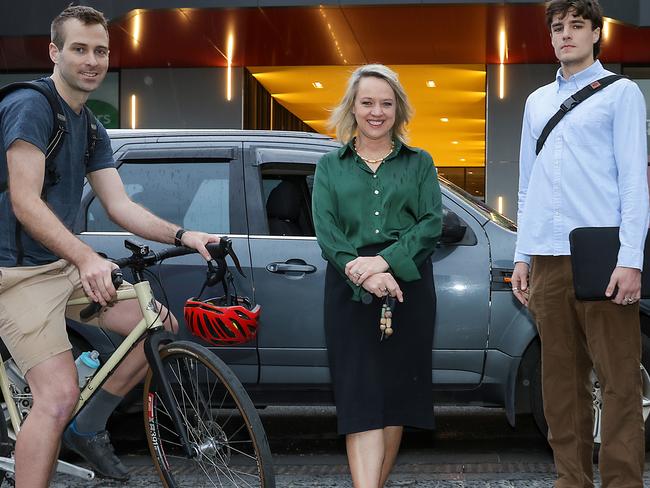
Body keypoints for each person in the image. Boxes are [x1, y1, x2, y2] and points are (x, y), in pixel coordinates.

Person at [0, 6, 220, 487]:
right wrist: (85, 257)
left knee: (156, 326)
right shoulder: (31, 106)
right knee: (54, 398)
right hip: (12, 275)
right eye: (79, 49)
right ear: (54, 52)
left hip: (59, 265)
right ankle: (63, 422)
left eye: (100, 50)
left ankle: (89, 424)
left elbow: (121, 206)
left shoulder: (90, 125)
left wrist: (187, 235)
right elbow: (24, 201)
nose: (92, 60)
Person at [511, 0, 649, 486]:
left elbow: (634, 182)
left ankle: (622, 482)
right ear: (550, 38)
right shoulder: (535, 103)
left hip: (603, 261)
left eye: (576, 25)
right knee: (560, 388)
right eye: (557, 27)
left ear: (596, 34)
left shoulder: (622, 93)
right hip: (547, 260)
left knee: (620, 383)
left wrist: (631, 259)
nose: (565, 34)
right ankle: (571, 480)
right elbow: (527, 185)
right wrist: (521, 255)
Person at [312, 64, 442, 488]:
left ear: (398, 109)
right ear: (353, 106)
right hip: (349, 292)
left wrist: (383, 263)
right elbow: (327, 232)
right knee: (361, 399)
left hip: (408, 289)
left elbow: (429, 225)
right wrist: (361, 272)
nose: (376, 111)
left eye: (386, 103)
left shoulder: (420, 163)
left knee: (395, 400)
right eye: (367, 102)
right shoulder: (330, 166)